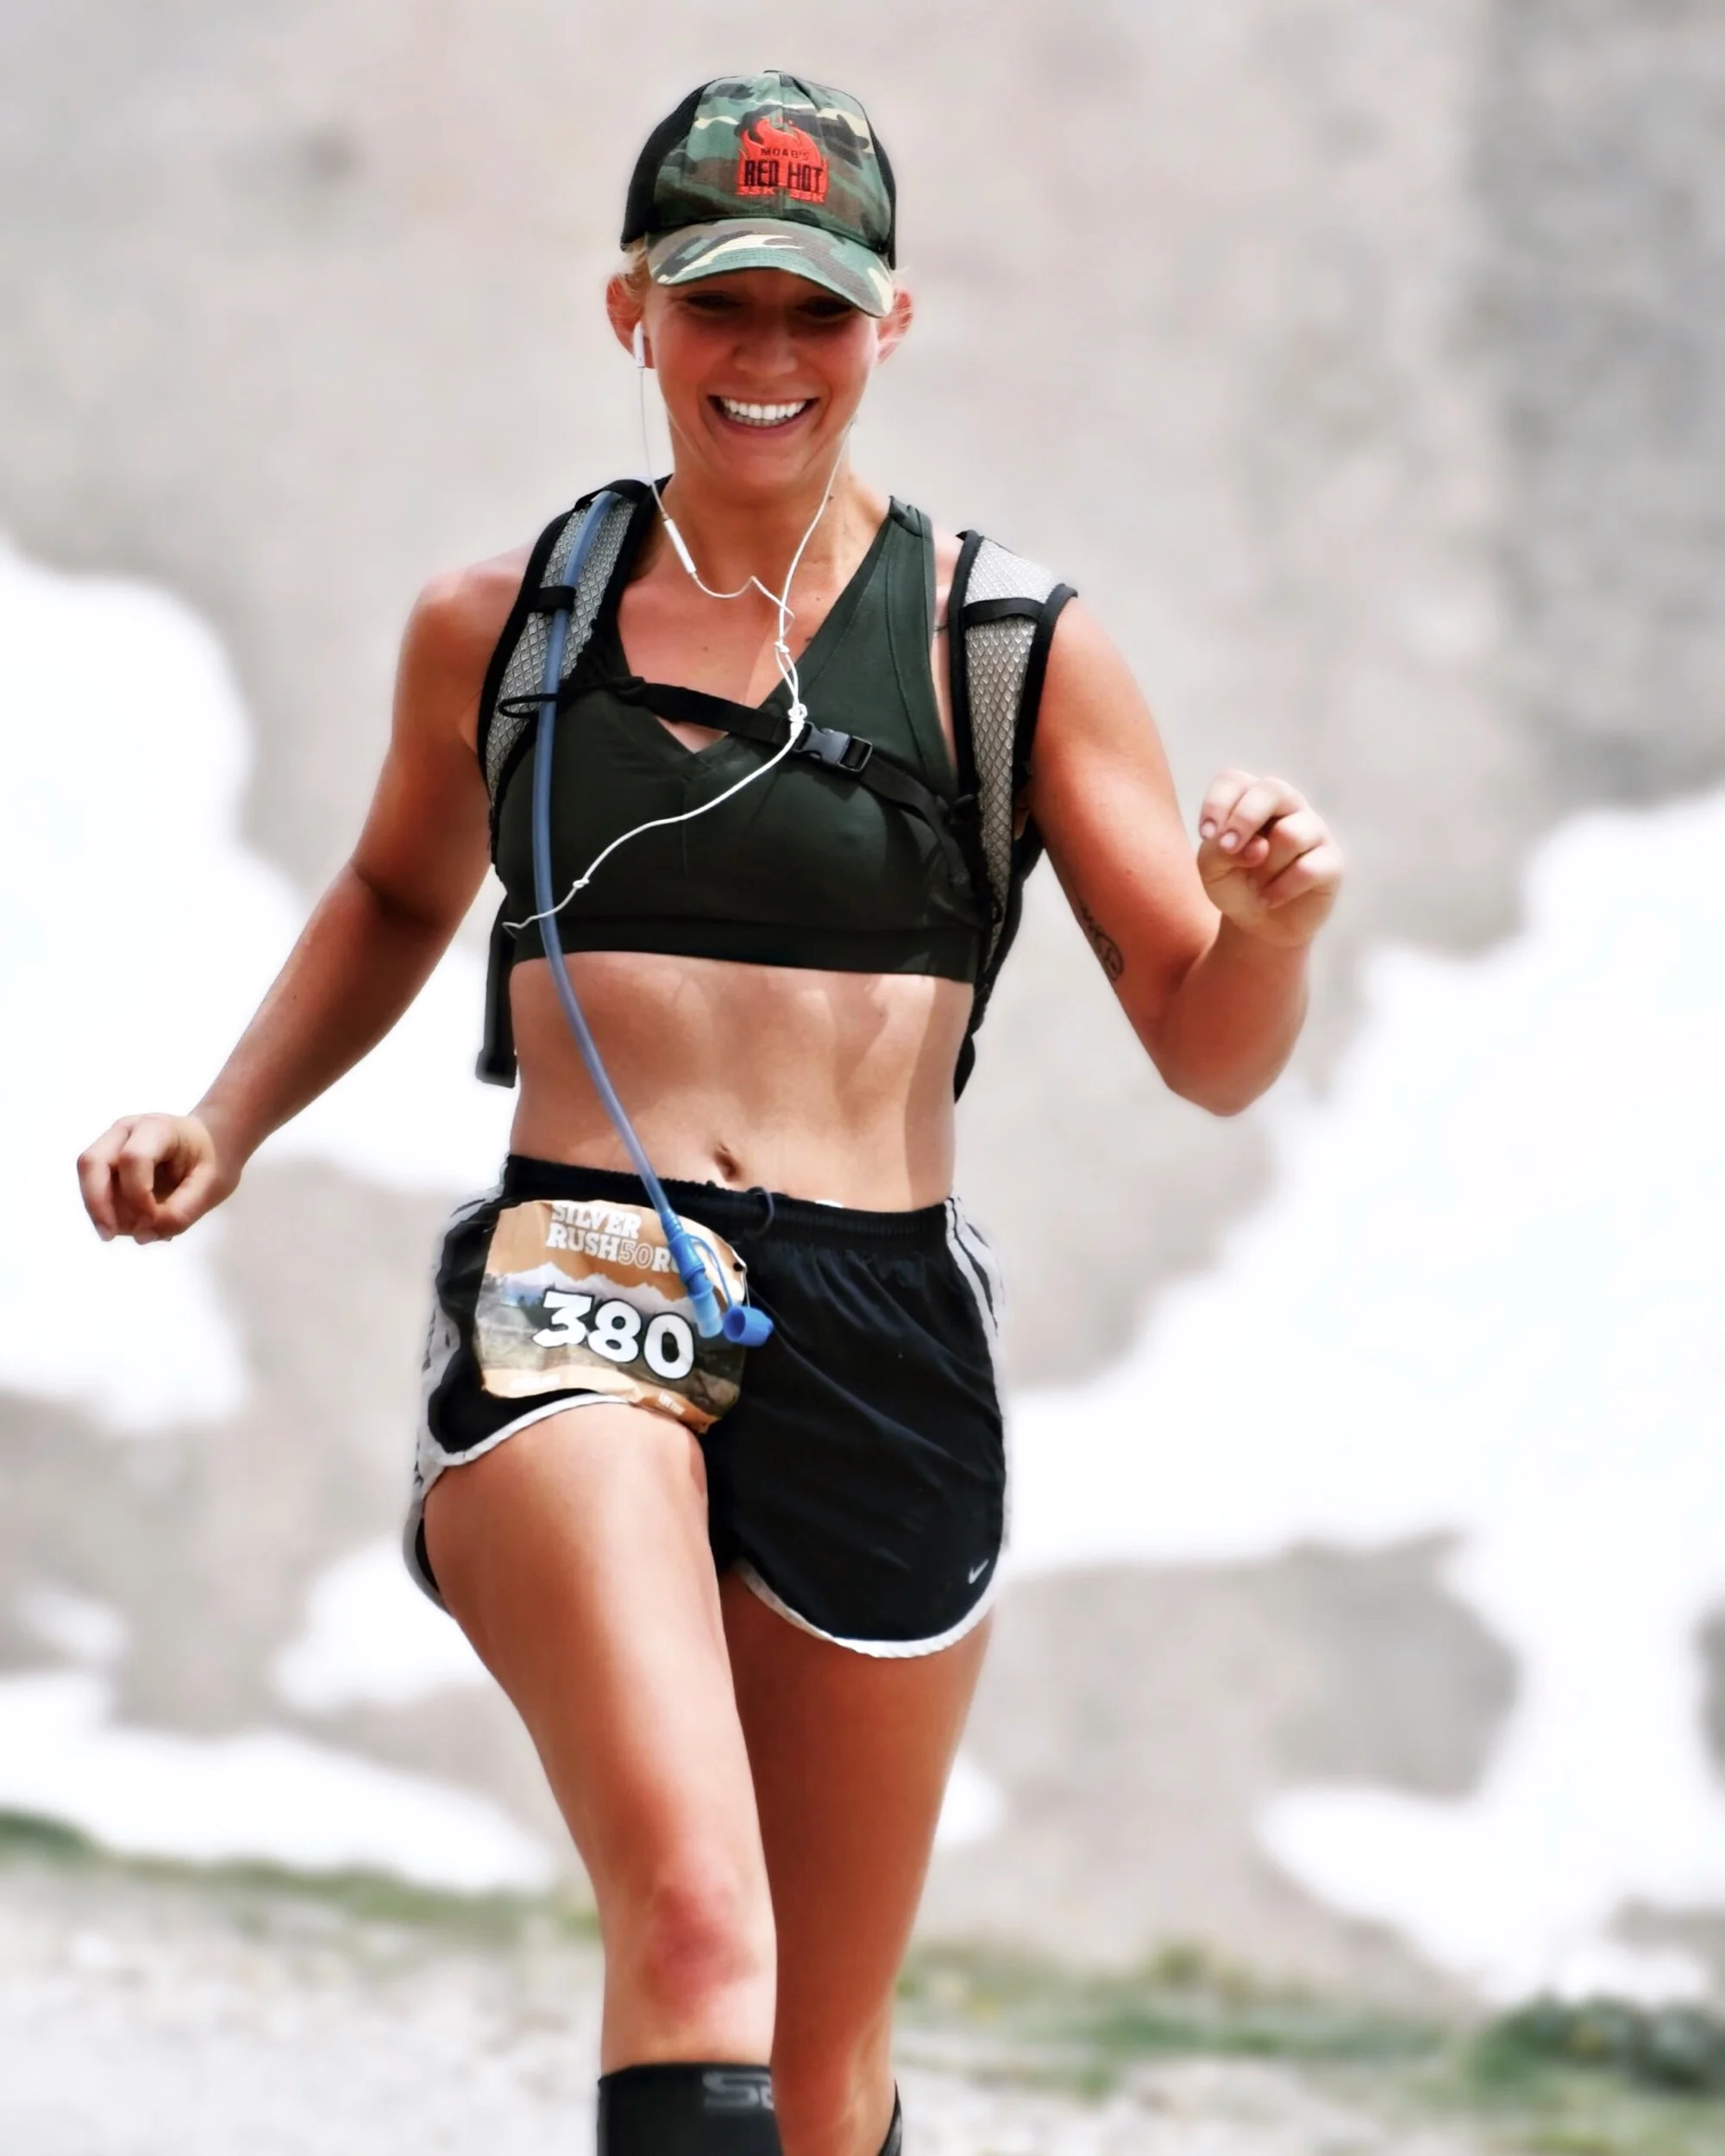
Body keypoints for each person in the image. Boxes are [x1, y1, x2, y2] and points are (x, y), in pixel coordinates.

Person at [76, 70, 1341, 2156]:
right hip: (585, 1266)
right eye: (717, 304)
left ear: (891, 326)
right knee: (692, 1916)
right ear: (629, 311)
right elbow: (401, 887)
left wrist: (1272, 925)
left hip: (890, 1313)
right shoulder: (499, 628)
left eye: (815, 313)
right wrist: (230, 1119)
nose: (765, 359)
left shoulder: (1007, 648)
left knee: (824, 2072)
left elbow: (1208, 1048)